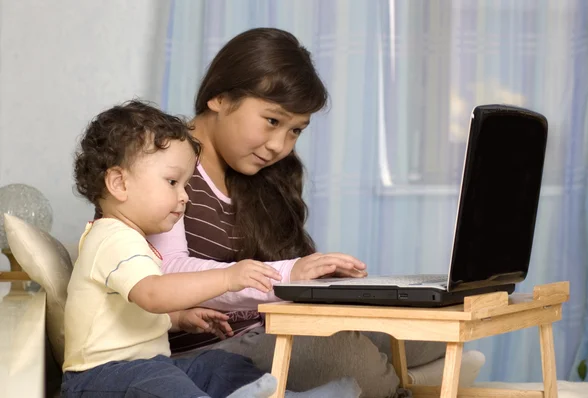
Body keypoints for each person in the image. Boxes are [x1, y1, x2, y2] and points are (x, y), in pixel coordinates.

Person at [148, 28, 446, 397]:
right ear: (219, 98)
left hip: (273, 324)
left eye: (295, 131)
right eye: (272, 121)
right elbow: (164, 276)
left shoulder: (261, 174)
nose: (279, 146)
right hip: (206, 350)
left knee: (426, 330)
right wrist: (288, 274)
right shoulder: (164, 165)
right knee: (348, 357)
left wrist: (317, 281)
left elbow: (277, 281)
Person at [63, 100, 362, 398]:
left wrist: (179, 319)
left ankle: (283, 395)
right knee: (159, 380)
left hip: (144, 366)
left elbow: (130, 312)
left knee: (218, 365)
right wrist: (228, 278)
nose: (185, 197)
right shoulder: (112, 238)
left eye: (186, 184)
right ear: (118, 183)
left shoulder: (132, 239)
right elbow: (152, 295)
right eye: (172, 182)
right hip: (99, 378)